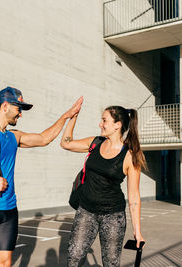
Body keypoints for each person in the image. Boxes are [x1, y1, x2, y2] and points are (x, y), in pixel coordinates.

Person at [0, 86, 83, 267]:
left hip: (8, 210)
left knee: (4, 263)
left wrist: (66, 117)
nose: (20, 114)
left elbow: (44, 138)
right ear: (5, 106)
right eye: (18, 108)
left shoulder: (13, 137)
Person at [60, 105, 146, 267]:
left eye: (104, 120)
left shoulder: (129, 156)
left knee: (110, 263)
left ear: (117, 125)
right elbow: (66, 143)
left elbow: (134, 197)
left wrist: (137, 231)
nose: (100, 124)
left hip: (113, 216)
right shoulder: (95, 143)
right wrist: (73, 117)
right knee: (74, 258)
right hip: (86, 211)